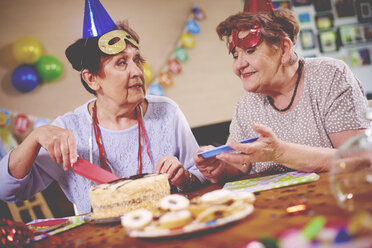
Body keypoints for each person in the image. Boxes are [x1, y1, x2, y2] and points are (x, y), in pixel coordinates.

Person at [0, 0, 205, 215]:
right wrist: (35, 137)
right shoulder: (69, 128)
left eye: (137, 60)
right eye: (121, 63)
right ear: (92, 79)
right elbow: (6, 191)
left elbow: (201, 175)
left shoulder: (167, 111)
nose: (136, 71)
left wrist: (184, 177)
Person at [194, 0, 370, 183]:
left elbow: (359, 160)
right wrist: (220, 166)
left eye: (251, 50)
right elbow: (241, 165)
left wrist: (279, 152)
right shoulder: (247, 103)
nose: (239, 65)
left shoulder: (329, 75)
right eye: (236, 55)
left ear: (284, 49)